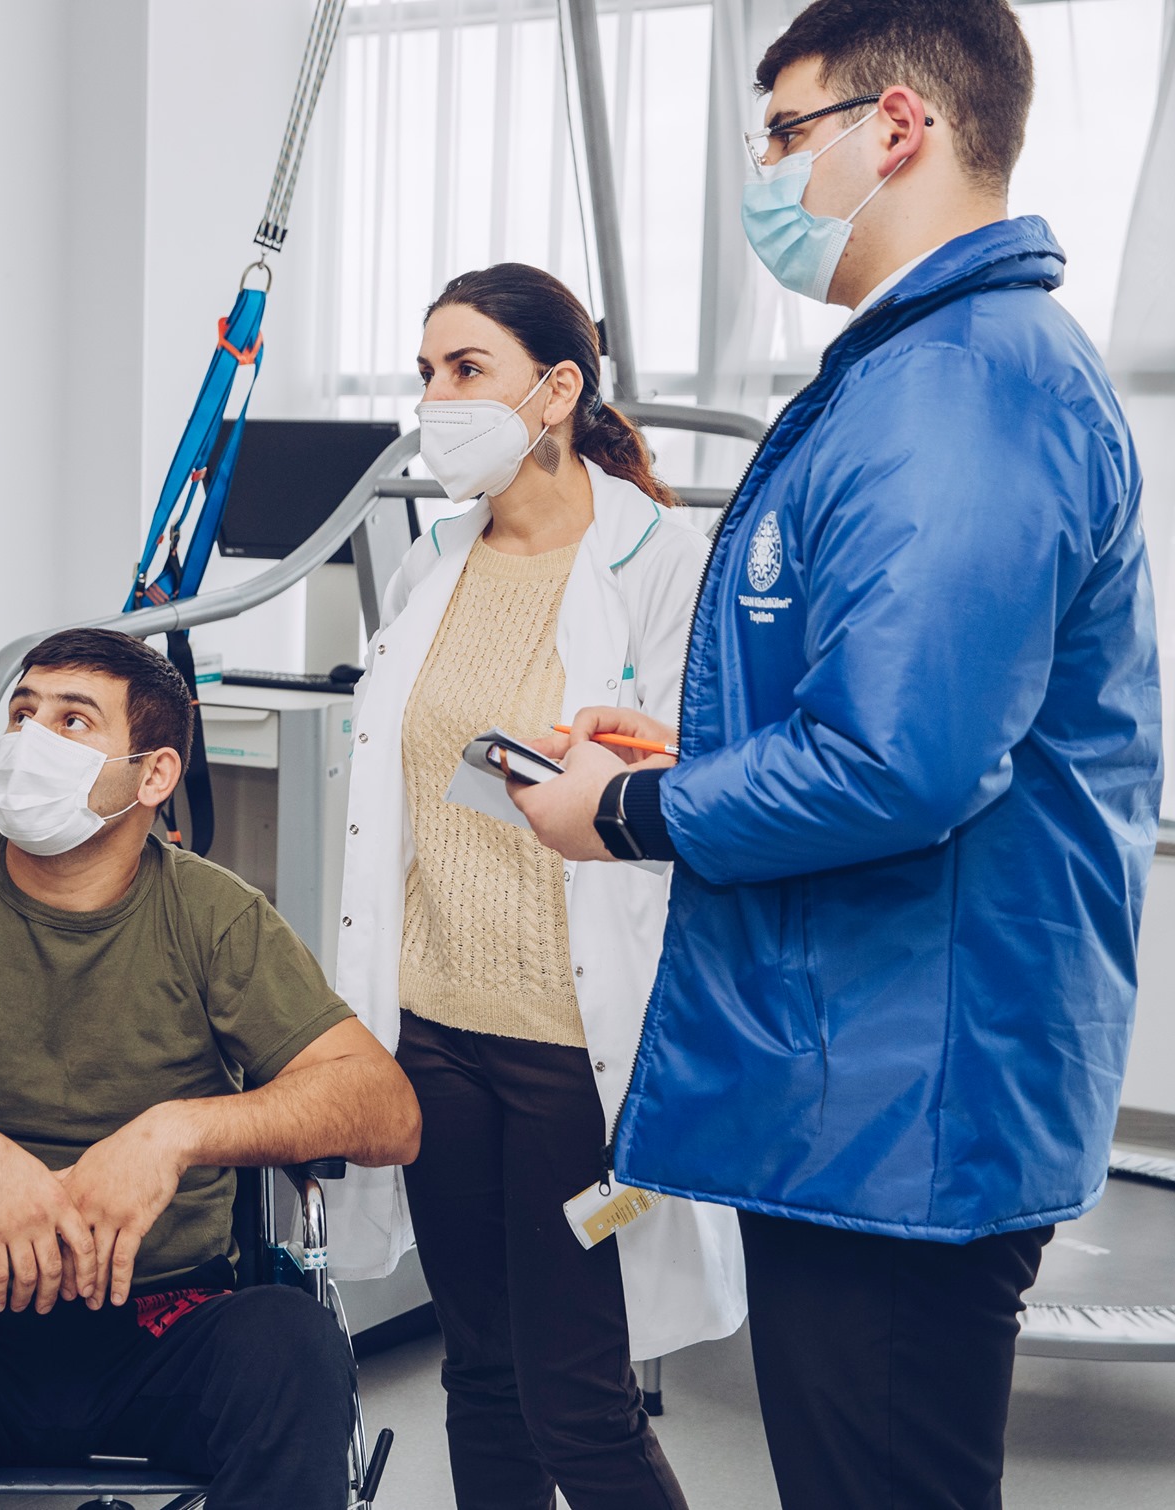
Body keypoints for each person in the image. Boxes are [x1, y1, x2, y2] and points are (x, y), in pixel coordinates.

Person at [507, 4, 1161, 1507]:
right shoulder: (919, 371)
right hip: (873, 1074)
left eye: (787, 136)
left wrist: (633, 808)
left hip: (903, 1096)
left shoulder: (962, 387)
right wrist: (703, 745)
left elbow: (899, 762)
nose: (768, 176)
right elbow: (905, 701)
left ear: (898, 127)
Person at [0, 628, 422, 1510]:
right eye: (22, 713)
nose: (30, 739)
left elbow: (386, 1110)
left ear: (154, 775)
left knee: (294, 1342)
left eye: (72, 721)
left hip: (163, 1324)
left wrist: (176, 1134)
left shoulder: (214, 916)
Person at [334, 264, 743, 1510]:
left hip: (576, 1049)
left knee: (578, 1399)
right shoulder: (430, 563)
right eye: (425, 373)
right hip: (431, 1031)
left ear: (556, 389)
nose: (436, 398)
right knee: (479, 1375)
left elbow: (703, 789)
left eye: (467, 369)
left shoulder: (662, 561)